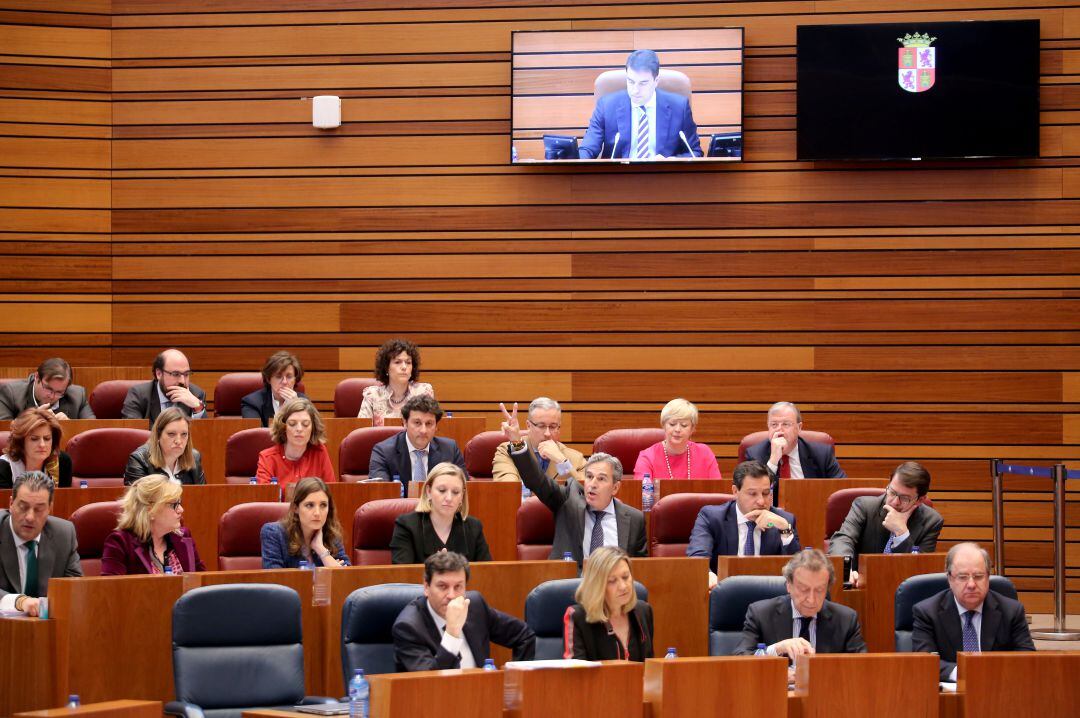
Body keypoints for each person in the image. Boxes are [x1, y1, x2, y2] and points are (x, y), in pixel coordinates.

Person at [503, 403, 646, 563]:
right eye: (589, 476)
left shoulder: (634, 519)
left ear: (615, 487)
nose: (592, 484)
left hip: (613, 584)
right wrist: (516, 441)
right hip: (572, 584)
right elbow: (536, 480)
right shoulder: (567, 502)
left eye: (601, 479)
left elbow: (640, 570)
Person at [912, 542, 1035, 682]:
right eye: (963, 577)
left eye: (978, 576)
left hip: (998, 689)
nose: (971, 584)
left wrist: (990, 671)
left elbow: (1027, 658)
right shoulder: (927, 612)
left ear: (988, 578)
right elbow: (925, 661)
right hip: (951, 695)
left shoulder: (1011, 611)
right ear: (950, 579)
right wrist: (967, 673)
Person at [393, 551, 535, 671]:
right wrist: (452, 633)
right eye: (442, 586)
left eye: (458, 587)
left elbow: (524, 636)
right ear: (426, 587)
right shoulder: (408, 627)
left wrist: (514, 679)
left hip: (483, 697)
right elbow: (428, 683)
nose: (451, 595)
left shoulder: (475, 606)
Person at [827, 461, 944, 587]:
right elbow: (843, 539)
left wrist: (902, 534)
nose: (894, 502)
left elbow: (920, 568)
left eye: (904, 498)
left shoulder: (931, 521)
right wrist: (846, 569)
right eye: (892, 492)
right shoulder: (865, 507)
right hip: (860, 586)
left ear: (920, 500)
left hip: (902, 589)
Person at [687, 460, 800, 588]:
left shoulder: (784, 521)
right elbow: (698, 558)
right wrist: (708, 576)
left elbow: (797, 571)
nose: (761, 501)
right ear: (735, 491)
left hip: (768, 596)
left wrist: (785, 529)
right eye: (752, 494)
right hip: (724, 593)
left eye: (766, 493)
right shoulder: (712, 517)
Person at [735, 548, 866, 657]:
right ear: (788, 585)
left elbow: (861, 668)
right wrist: (777, 649)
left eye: (819, 590)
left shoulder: (846, 620)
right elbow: (740, 659)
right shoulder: (761, 614)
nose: (811, 599)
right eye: (804, 589)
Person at [578, 49, 702, 160]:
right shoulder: (606, 106)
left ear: (656, 81)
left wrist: (671, 161)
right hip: (618, 179)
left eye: (643, 83)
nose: (635, 90)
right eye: (631, 82)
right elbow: (588, 149)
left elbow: (695, 152)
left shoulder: (679, 107)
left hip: (663, 179)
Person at [0, 471, 82, 616]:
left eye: (39, 509)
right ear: (11, 504)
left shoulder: (63, 534)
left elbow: (75, 590)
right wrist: (20, 602)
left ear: (50, 508)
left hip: (46, 631)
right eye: (23, 507)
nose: (30, 517)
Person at [101, 474, 205, 575]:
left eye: (179, 503)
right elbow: (110, 589)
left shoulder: (183, 537)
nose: (181, 510)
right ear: (150, 510)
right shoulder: (120, 543)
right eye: (174, 505)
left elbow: (202, 582)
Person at [563, 547, 654, 661]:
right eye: (612, 581)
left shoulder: (643, 612)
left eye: (625, 577)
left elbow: (649, 668)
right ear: (597, 586)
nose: (623, 586)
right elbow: (576, 675)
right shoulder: (578, 617)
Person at [391, 462, 491, 564]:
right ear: (428, 491)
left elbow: (486, 574)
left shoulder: (474, 527)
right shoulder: (406, 526)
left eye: (456, 492)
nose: (449, 498)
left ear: (462, 496)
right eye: (442, 490)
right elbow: (402, 575)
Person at [744, 402, 846, 487]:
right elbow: (751, 494)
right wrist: (773, 461)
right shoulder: (755, 455)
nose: (779, 429)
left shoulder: (821, 454)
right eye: (774, 424)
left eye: (786, 424)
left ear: (799, 427)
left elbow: (842, 488)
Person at [369, 396, 467, 483]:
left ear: (436, 426)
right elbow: (380, 493)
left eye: (429, 424)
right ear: (405, 422)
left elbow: (463, 488)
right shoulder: (384, 452)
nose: (423, 431)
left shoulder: (450, 450)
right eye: (417, 423)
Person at [260, 476, 350, 569]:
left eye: (323, 505)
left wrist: (321, 550)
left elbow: (344, 578)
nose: (317, 513)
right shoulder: (274, 534)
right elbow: (275, 579)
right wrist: (331, 565)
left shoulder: (332, 536)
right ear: (296, 508)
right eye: (310, 505)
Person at [492, 397, 586, 483]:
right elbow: (508, 488)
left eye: (553, 427)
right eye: (541, 426)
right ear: (529, 426)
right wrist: (518, 446)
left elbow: (585, 494)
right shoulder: (507, 451)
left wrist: (561, 461)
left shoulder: (576, 459)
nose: (547, 433)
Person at [633, 398, 722, 480]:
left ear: (692, 429)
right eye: (672, 424)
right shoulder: (647, 457)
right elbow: (642, 495)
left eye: (684, 425)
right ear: (664, 425)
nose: (677, 430)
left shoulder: (704, 453)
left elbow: (717, 491)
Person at [255, 397, 336, 486]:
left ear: (313, 428)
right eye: (292, 424)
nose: (299, 429)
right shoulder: (267, 458)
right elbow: (263, 497)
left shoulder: (320, 452)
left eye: (305, 424)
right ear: (283, 427)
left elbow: (330, 492)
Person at [121, 349, 207, 424]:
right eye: (175, 374)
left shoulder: (196, 394)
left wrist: (198, 408)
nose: (182, 381)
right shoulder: (138, 395)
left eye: (186, 374)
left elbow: (204, 437)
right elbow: (134, 435)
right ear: (159, 374)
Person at [124, 407, 206, 485]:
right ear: (158, 435)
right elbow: (136, 498)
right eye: (171, 434)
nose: (178, 441)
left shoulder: (194, 457)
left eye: (184, 434)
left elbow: (202, 497)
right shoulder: (139, 460)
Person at [357, 338, 434, 421]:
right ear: (386, 368)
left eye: (408, 362)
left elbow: (429, 427)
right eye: (397, 362)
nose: (404, 367)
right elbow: (361, 430)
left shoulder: (423, 392)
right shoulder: (372, 395)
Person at [0, 357, 94, 420]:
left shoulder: (78, 396)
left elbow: (91, 431)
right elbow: (4, 433)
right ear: (37, 377)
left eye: (59, 392)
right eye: (48, 389)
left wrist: (70, 426)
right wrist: (32, 421)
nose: (52, 396)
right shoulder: (10, 393)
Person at [0, 407, 72, 489]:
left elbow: (64, 499)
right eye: (34, 439)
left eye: (47, 438)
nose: (42, 445)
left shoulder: (62, 462)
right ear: (21, 441)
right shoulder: (3, 467)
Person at [241, 351, 308, 427]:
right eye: (278, 376)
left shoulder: (304, 402)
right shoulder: (252, 403)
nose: (284, 382)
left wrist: (296, 407)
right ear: (269, 379)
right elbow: (255, 436)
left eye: (289, 377)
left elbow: (310, 432)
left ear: (295, 380)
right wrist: (283, 413)